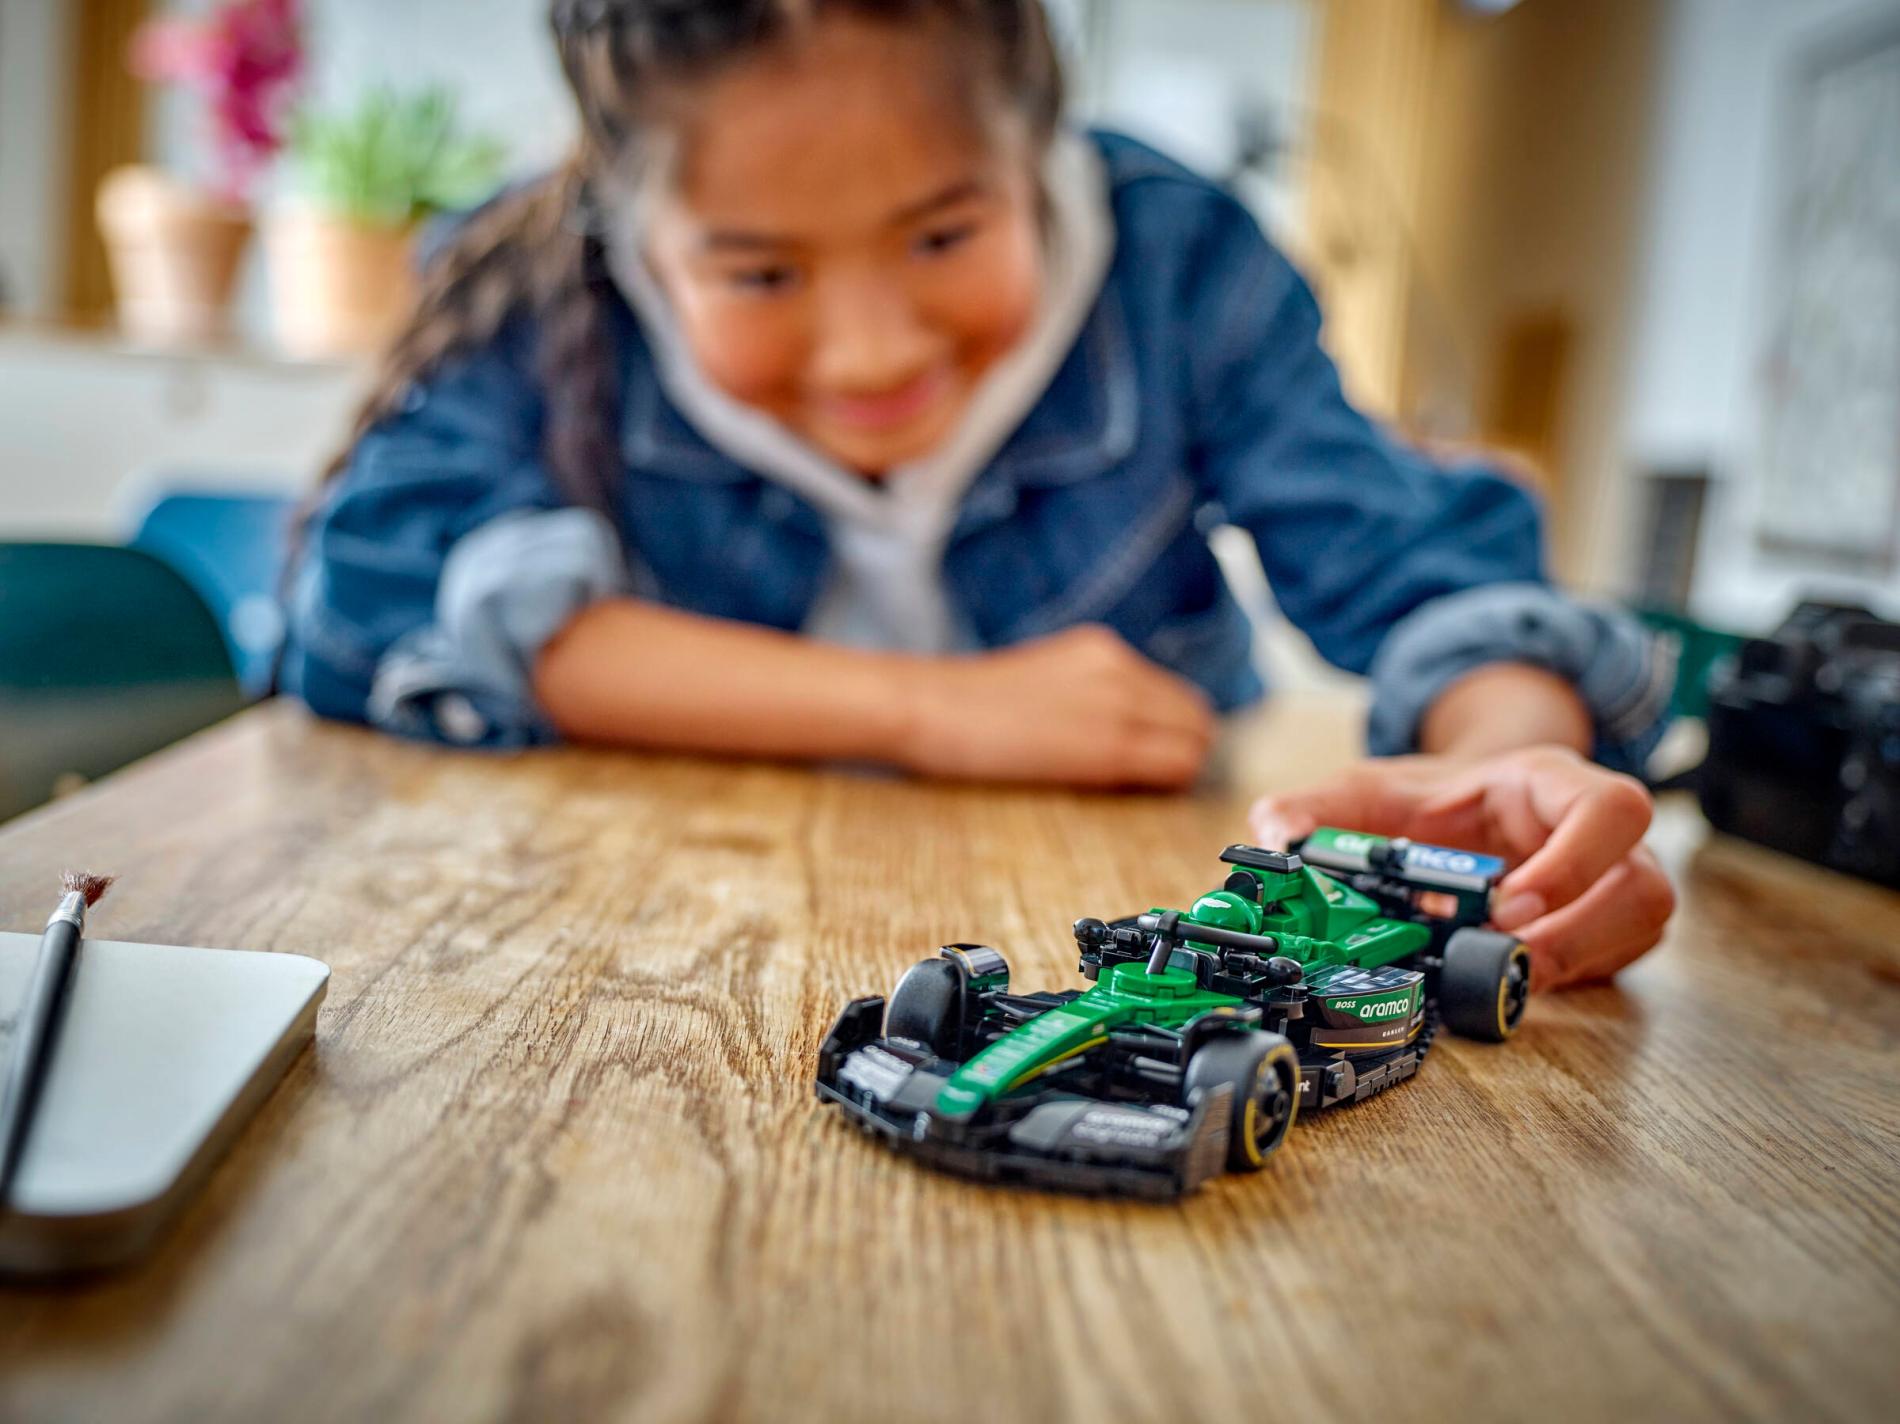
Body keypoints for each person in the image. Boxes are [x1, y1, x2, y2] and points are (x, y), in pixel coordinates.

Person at [282, 0, 1676, 987]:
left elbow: (1426, 571)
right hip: (656, 938)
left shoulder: (1182, 265)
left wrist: (1505, 757)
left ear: (1041, 146)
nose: (872, 352)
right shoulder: (537, 284)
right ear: (633, 225)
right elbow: (367, 607)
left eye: (944, 236)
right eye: (760, 274)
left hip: (1106, 892)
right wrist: (929, 709)